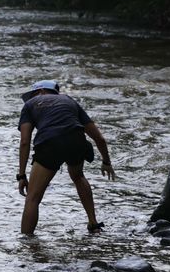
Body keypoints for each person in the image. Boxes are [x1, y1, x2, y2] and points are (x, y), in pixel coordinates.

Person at [17, 80, 115, 235]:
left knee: (33, 198)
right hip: (76, 141)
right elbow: (99, 138)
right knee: (77, 176)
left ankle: (26, 241)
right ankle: (93, 223)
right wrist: (106, 162)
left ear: (40, 91)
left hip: (49, 144)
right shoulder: (69, 101)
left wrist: (21, 175)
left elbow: (24, 142)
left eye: (33, 94)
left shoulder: (30, 105)